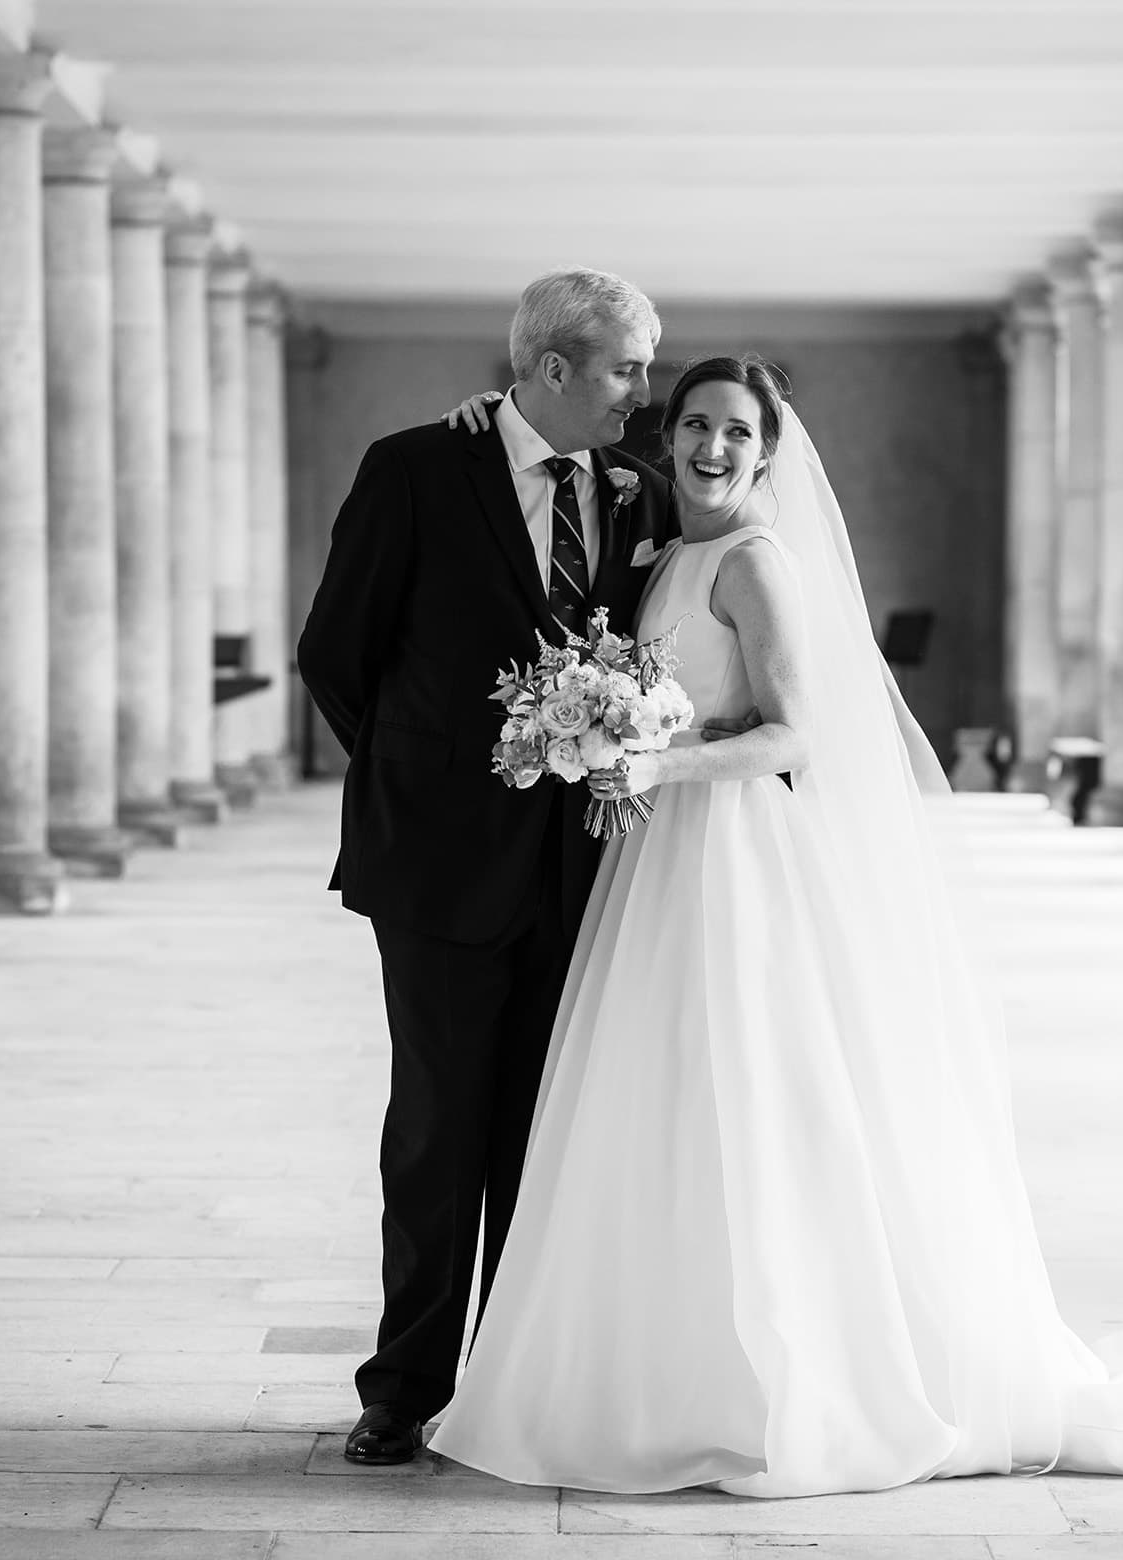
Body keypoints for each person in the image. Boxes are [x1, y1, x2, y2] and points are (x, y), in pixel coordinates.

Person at [421, 358, 1123, 1497]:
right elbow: (555, 457)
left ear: (769, 451)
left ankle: (793, 1379)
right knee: (666, 1102)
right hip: (662, 861)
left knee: (760, 1103)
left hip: (733, 860)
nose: (713, 448)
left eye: (737, 432)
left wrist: (644, 757)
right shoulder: (661, 552)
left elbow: (794, 738)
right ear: (663, 441)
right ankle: (670, 1369)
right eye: (695, 427)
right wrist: (490, 422)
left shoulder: (758, 562)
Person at [296, 269, 680, 1467]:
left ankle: (512, 1385)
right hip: (437, 866)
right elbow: (336, 654)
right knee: (435, 1130)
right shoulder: (413, 469)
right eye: (626, 369)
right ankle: (402, 1392)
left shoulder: (637, 488)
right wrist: (438, 777)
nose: (643, 393)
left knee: (543, 1134)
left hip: (587, 872)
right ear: (553, 368)